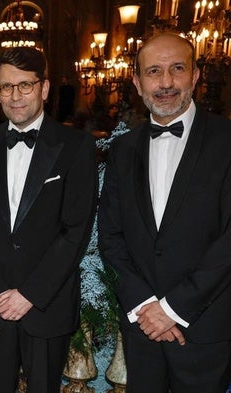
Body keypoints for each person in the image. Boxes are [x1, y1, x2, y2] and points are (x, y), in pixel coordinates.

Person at [98, 32, 231, 393]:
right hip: (142, 329)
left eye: (177, 69)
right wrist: (146, 306)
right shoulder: (122, 150)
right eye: (154, 72)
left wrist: (171, 309)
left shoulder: (226, 142)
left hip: (204, 328)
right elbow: (110, 236)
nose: (166, 83)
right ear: (138, 82)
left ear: (196, 75)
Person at [0, 47, 98, 393]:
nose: (15, 96)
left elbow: (75, 231)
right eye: (7, 87)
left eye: (25, 85)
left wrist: (29, 294)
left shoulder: (76, 146)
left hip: (46, 305)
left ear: (45, 88)